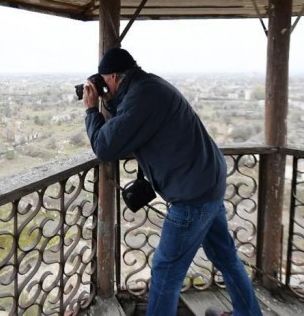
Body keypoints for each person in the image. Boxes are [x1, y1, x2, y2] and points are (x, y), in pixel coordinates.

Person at [82, 48, 262, 316]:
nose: (101, 85)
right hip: (207, 183)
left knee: (166, 271)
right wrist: (108, 101)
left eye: (103, 80)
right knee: (225, 258)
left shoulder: (143, 95)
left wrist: (91, 111)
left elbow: (106, 146)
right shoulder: (148, 86)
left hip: (191, 195)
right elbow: (126, 118)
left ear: (114, 77)